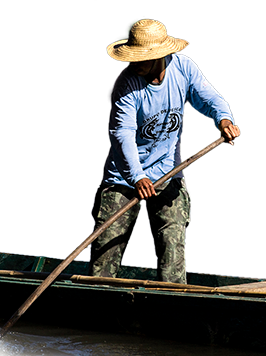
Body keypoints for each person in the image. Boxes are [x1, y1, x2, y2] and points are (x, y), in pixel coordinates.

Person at [91, 19, 240, 284]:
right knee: (105, 255)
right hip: (125, 177)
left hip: (167, 172)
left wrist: (224, 119)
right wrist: (137, 176)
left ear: (160, 56)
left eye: (142, 58)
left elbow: (209, 98)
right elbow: (121, 135)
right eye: (133, 58)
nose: (135, 63)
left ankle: (171, 304)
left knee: (173, 252)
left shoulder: (183, 68)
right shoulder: (126, 87)